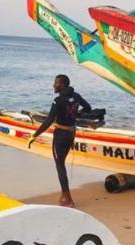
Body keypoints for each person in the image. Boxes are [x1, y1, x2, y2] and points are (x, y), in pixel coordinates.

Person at [28, 74, 91, 207]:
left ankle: (68, 199)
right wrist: (75, 114)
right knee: (61, 163)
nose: (53, 85)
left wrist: (34, 135)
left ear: (62, 85)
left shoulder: (58, 101)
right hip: (71, 133)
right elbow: (88, 108)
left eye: (56, 83)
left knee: (60, 165)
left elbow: (48, 121)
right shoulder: (77, 96)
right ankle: (64, 196)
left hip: (61, 135)